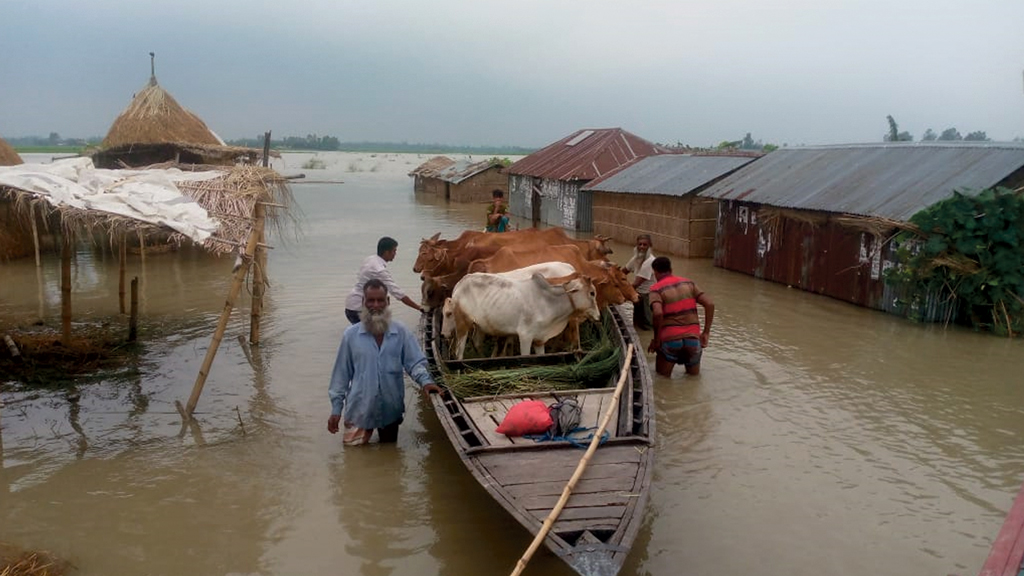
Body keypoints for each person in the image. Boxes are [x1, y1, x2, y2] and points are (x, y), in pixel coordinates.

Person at [328, 279, 442, 445]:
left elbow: (415, 363)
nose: (375, 305)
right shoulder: (350, 335)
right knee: (354, 461)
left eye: (380, 300)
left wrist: (426, 382)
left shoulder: (400, 332)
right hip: (359, 411)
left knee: (390, 456)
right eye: (371, 300)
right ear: (363, 303)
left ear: (387, 302)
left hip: (390, 411)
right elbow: (341, 375)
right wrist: (336, 409)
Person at [647, 256, 715, 377]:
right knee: (693, 380)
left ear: (655, 272)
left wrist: (656, 340)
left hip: (670, 340)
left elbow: (658, 313)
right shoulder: (689, 283)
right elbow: (709, 304)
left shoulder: (656, 289)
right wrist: (706, 332)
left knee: (663, 379)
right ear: (671, 269)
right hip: (693, 340)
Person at [344, 236, 423, 325]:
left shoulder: (370, 259)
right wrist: (419, 307)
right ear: (386, 252)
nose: (395, 254)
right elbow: (398, 293)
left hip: (351, 305)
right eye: (394, 251)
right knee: (373, 334)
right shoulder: (379, 270)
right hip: (359, 309)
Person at [623, 234, 655, 330]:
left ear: (649, 246)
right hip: (637, 294)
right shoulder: (636, 258)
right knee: (636, 323)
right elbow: (623, 272)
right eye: (639, 244)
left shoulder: (650, 262)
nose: (641, 247)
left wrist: (623, 294)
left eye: (644, 245)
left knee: (647, 324)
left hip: (647, 295)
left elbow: (636, 283)